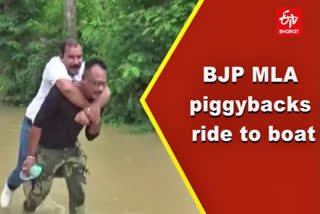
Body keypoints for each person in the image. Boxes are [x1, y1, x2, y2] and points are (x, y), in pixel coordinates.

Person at [0, 39, 111, 208]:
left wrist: (90, 111)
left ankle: (38, 184)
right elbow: (66, 88)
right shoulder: (54, 66)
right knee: (25, 168)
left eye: (79, 56)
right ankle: (10, 186)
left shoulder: (84, 68)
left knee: (54, 168)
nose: (76, 61)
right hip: (34, 122)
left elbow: (106, 91)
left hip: (57, 127)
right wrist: (91, 109)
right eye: (71, 57)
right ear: (61, 57)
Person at [22, 59, 107, 214]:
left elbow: (90, 136)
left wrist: (95, 120)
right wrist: (30, 156)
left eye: (103, 84)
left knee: (79, 193)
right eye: (96, 84)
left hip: (72, 148)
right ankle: (27, 206)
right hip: (48, 149)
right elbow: (38, 124)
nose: (100, 89)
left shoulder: (97, 99)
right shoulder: (58, 94)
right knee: (40, 194)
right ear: (84, 80)